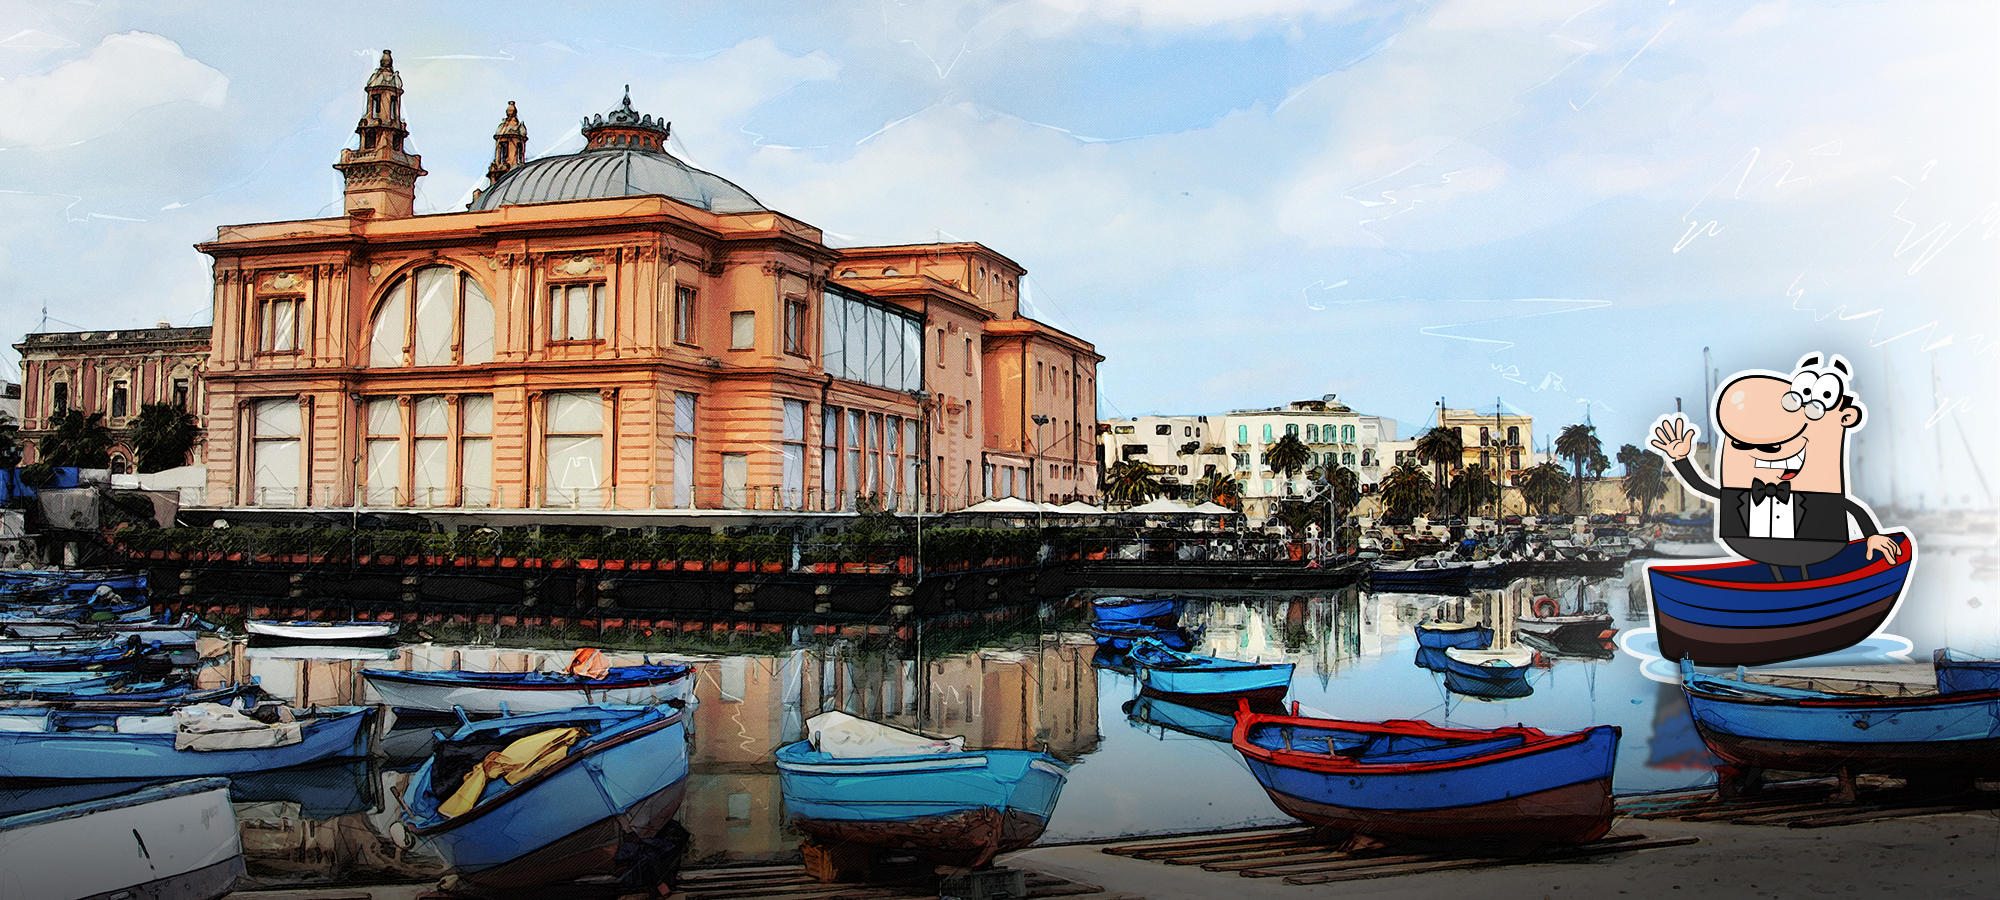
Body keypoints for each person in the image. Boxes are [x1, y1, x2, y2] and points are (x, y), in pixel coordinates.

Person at [1650, 352, 1901, 581]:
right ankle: (1786, 594)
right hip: (1757, 546)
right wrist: (1680, 459)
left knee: (1801, 570)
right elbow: (1701, 486)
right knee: (1776, 572)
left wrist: (1873, 535)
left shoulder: (1820, 497)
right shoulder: (1742, 495)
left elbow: (1851, 507)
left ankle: (1797, 595)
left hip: (1814, 544)